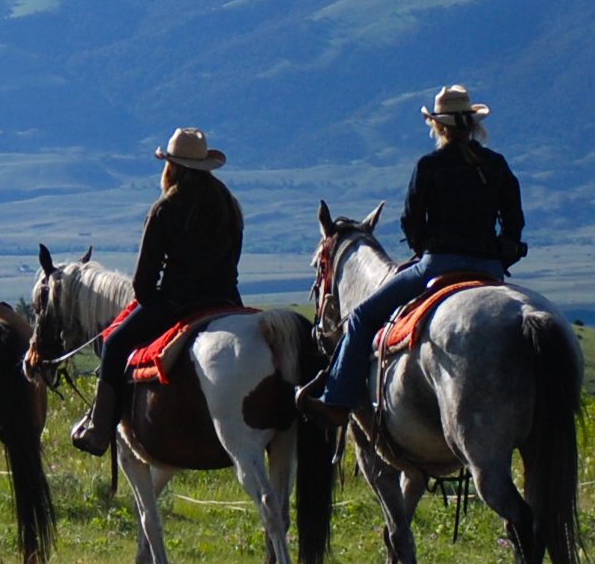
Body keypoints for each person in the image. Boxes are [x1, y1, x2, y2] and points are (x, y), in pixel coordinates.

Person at [298, 85, 525, 428]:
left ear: (439, 126)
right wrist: (500, 256)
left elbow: (411, 220)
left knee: (361, 318)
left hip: (439, 264)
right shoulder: (496, 165)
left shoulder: (430, 165)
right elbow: (514, 222)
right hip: (491, 268)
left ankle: (336, 401)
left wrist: (425, 249)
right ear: (473, 124)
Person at [70, 128, 245, 455]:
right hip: (227, 301)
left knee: (114, 342)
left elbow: (143, 284)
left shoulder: (165, 208)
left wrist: (152, 302)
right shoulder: (229, 204)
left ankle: (99, 429)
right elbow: (233, 261)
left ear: (171, 166)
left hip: (179, 303)